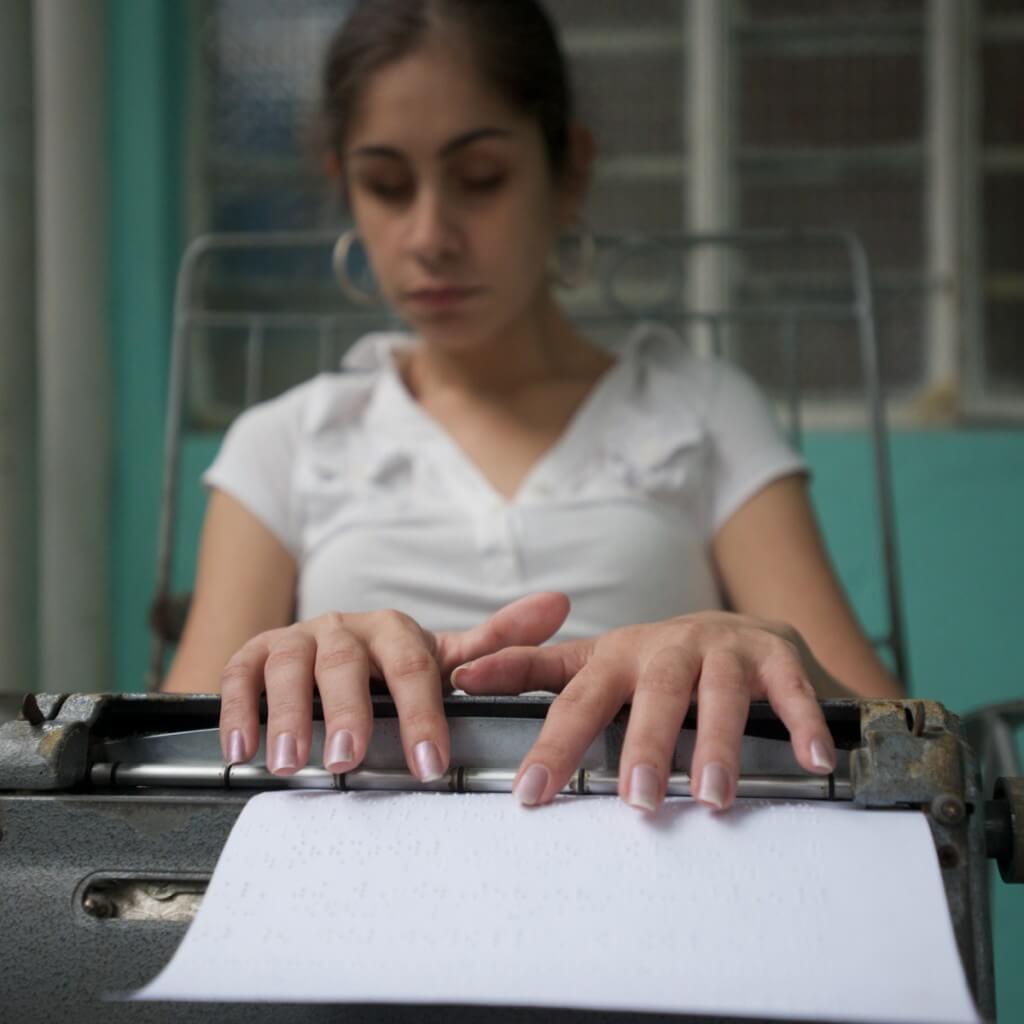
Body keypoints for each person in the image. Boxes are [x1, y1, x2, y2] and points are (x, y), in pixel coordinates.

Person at [163, 0, 903, 815]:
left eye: (481, 179)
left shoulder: (701, 413)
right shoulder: (286, 442)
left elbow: (906, 744)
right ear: (344, 188)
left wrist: (763, 651)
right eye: (385, 186)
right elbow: (168, 760)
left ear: (569, 170)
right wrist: (274, 673)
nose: (430, 235)